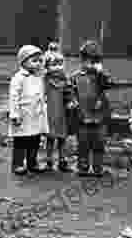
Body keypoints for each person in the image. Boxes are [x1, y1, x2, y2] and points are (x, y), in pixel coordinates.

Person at [68, 40, 112, 176]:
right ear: (82, 60)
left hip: (99, 116)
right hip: (82, 115)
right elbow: (70, 91)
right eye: (88, 61)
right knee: (83, 143)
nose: (91, 64)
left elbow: (109, 84)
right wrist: (72, 101)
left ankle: (98, 167)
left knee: (99, 143)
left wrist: (101, 73)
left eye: (95, 61)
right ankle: (83, 167)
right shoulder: (76, 77)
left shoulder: (100, 77)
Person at [9, 45, 49, 175]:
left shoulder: (39, 76)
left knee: (34, 140)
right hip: (23, 114)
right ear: (23, 62)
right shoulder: (19, 78)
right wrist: (15, 113)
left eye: (40, 61)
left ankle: (32, 162)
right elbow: (13, 96)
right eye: (34, 61)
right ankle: (18, 164)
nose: (38, 64)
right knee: (21, 140)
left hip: (36, 114)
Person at [43, 41, 72, 171]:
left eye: (60, 64)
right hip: (49, 112)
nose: (58, 67)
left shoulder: (64, 79)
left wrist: (71, 100)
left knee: (62, 137)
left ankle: (62, 160)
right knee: (50, 137)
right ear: (48, 65)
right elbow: (40, 92)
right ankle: (49, 160)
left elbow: (68, 91)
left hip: (61, 112)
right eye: (54, 64)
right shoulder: (45, 79)